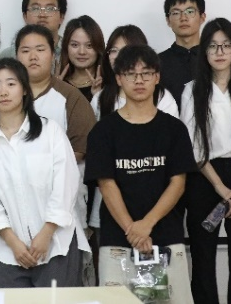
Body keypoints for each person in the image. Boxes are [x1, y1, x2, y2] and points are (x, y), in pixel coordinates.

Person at [85, 45, 196, 304]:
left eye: (146, 73)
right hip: (118, 242)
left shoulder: (174, 129)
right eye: (131, 74)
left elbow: (178, 183)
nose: (139, 80)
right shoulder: (103, 131)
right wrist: (132, 230)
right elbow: (106, 184)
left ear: (157, 77)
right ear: (118, 78)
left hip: (165, 240)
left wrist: (146, 225)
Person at [0, 58, 87, 288]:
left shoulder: (50, 131)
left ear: (25, 89)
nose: (3, 91)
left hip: (56, 245)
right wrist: (13, 242)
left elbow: (66, 185)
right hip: (8, 251)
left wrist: (47, 233)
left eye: (11, 84)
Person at [180, 19, 231, 304]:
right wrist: (219, 187)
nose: (220, 51)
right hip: (204, 178)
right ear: (204, 52)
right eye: (213, 46)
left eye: (226, 45)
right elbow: (193, 145)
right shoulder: (192, 90)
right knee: (203, 260)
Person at [0, 25, 95, 164]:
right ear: (16, 56)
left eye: (40, 50)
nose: (33, 57)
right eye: (25, 51)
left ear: (53, 55)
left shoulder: (71, 97)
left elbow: (80, 150)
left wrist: (37, 169)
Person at [0, 0, 67, 71]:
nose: (42, 15)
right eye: (35, 9)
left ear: (61, 17)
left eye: (50, 9)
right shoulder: (8, 56)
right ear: (25, 16)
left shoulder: (72, 53)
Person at [159, 0, 207, 109]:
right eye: (176, 13)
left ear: (202, 17)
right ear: (168, 20)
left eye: (190, 11)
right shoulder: (157, 62)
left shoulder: (215, 58)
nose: (183, 18)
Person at [58, 15, 104, 102]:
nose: (82, 52)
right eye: (75, 45)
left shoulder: (109, 84)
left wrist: (98, 96)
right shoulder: (58, 84)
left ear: (98, 48)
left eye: (89, 45)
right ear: (66, 47)